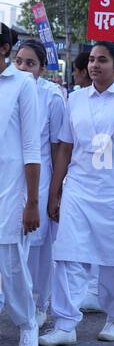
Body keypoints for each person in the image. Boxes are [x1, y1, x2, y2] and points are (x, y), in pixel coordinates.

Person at [39, 41, 114, 346]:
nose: (94, 65)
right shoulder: (74, 99)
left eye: (102, 60)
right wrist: (55, 191)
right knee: (66, 255)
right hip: (78, 188)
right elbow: (65, 146)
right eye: (91, 59)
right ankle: (65, 323)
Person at [14, 39, 65, 328]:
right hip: (9, 175)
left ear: (43, 68)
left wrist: (54, 192)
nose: (22, 67)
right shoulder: (6, 89)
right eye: (19, 60)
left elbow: (59, 148)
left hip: (41, 176)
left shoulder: (52, 96)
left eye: (30, 63)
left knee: (38, 244)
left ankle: (38, 302)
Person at [0, 23, 41, 346]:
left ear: (4, 49)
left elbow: (31, 146)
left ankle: (28, 325)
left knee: (11, 262)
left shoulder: (22, 84)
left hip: (11, 186)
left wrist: (33, 201)